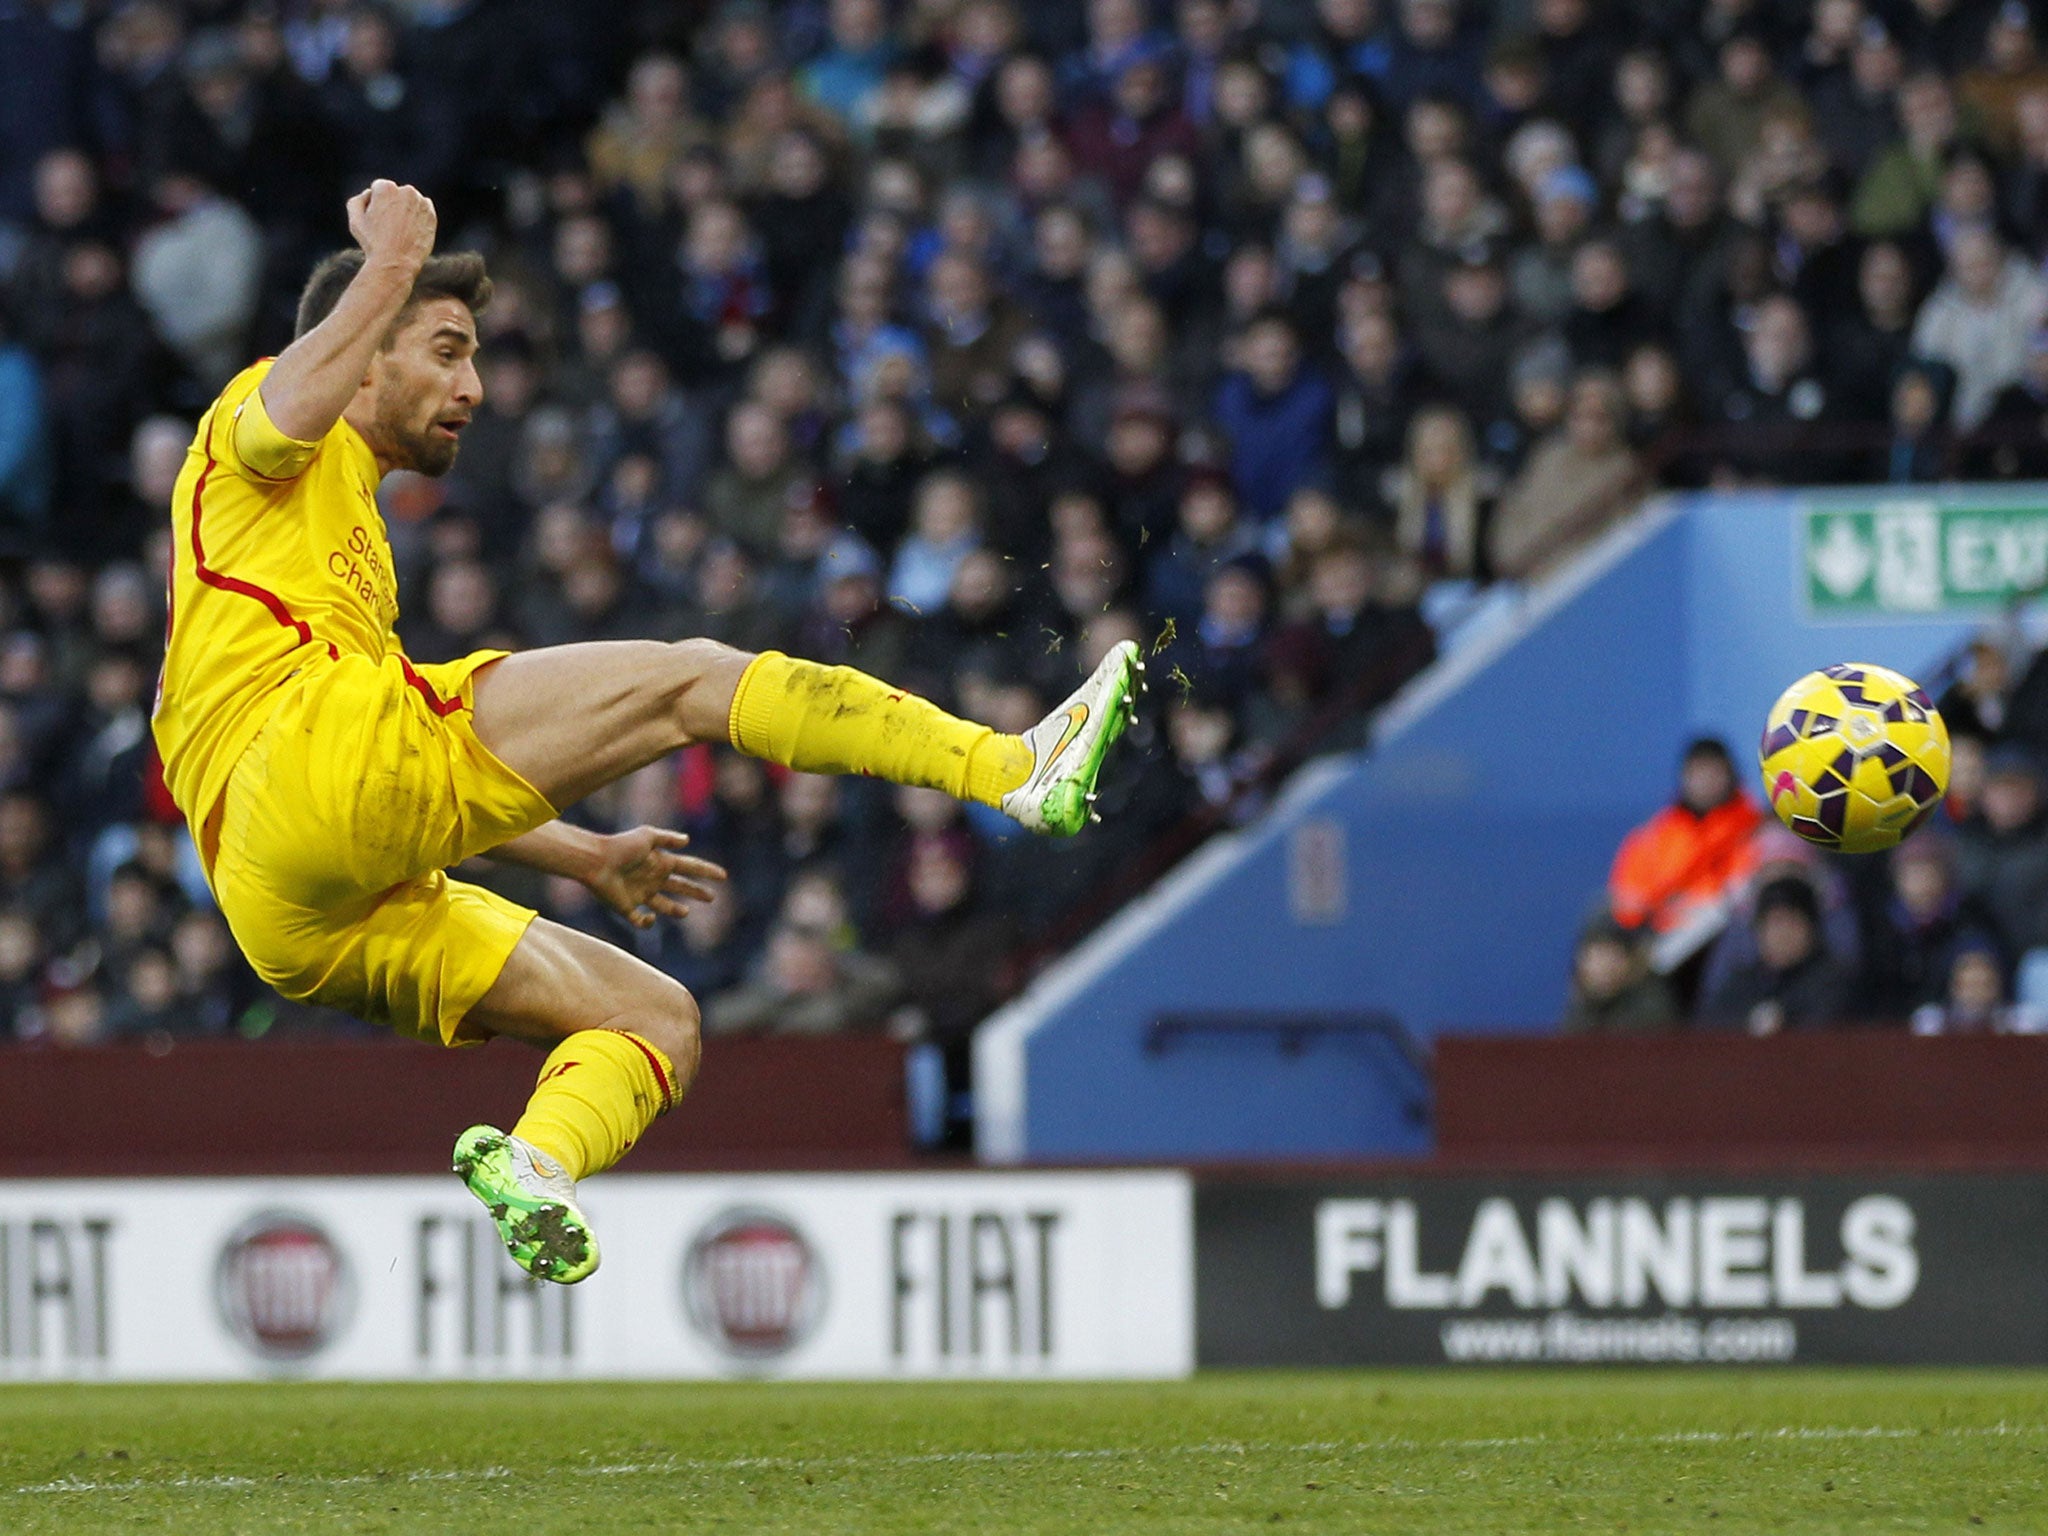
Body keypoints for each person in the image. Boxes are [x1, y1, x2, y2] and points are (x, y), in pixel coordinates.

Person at [151, 181, 1145, 1286]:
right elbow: (288, 400)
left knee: (653, 1015)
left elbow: (390, 807)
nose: (472, 386)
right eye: (445, 351)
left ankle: (535, 1165)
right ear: (367, 352)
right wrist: (391, 260)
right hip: (305, 768)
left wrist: (581, 855)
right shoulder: (260, 426)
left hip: (279, 900)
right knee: (693, 681)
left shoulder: (324, 549)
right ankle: (1013, 766)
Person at [1607, 737, 1763, 936]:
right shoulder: (1653, 836)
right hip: (1658, 940)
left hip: (1726, 938)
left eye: (1714, 771)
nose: (1705, 780)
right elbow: (1627, 902)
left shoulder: (1756, 830)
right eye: (1698, 771)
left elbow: (1743, 893)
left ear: (1731, 775)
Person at [1698, 874, 1858, 1034]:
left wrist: (1783, 1021)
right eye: (1775, 923)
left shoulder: (1834, 983)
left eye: (1792, 922)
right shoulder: (1741, 982)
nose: (1783, 934)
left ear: (1812, 928)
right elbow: (1708, 1029)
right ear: (1759, 930)